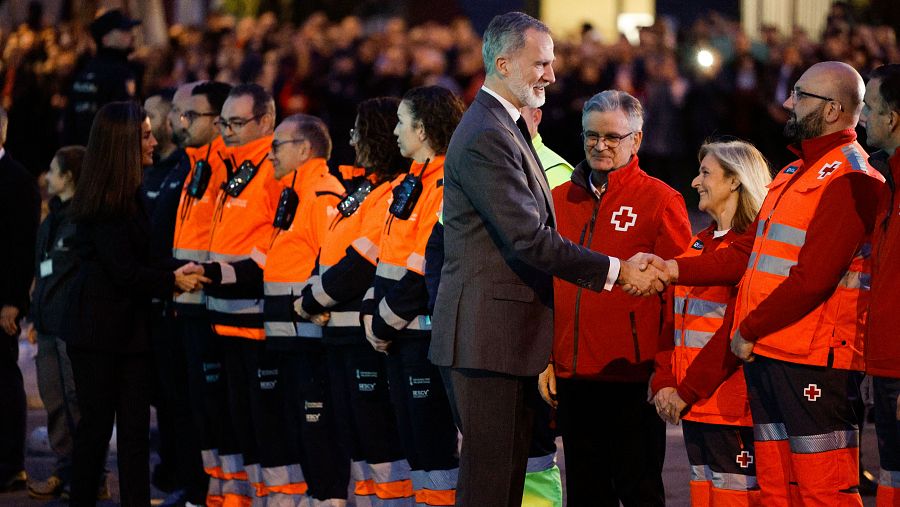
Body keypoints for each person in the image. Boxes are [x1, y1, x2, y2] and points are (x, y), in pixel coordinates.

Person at [428, 12, 666, 507]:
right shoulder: (488, 134)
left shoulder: (503, 127)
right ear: (504, 63)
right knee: (490, 486)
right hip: (487, 339)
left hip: (504, 339)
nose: (551, 76)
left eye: (553, 63)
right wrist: (618, 271)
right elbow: (529, 238)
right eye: (541, 63)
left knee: (505, 482)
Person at [635, 61, 885, 505]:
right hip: (775, 356)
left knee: (822, 490)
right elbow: (746, 254)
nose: (788, 103)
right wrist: (673, 269)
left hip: (813, 363)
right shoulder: (794, 175)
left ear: (831, 110)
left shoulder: (851, 179)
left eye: (801, 96)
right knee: (777, 490)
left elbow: (813, 281)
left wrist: (747, 329)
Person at [538, 90, 691, 506]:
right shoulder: (558, 201)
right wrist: (547, 358)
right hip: (573, 377)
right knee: (586, 493)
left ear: (637, 140)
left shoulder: (660, 201)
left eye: (612, 137)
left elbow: (680, 294)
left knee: (639, 490)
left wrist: (665, 371)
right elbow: (545, 284)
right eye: (591, 136)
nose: (599, 145)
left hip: (631, 377)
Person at [64, 101, 206, 507]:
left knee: (134, 434)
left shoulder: (132, 194)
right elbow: (124, 271)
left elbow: (141, 262)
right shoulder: (108, 203)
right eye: (144, 134)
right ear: (123, 143)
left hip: (130, 332)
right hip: (98, 334)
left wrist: (180, 268)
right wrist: (172, 279)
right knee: (96, 432)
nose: (153, 140)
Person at [297, 97, 414, 506]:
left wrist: (313, 297)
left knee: (380, 445)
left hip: (363, 338)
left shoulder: (393, 191)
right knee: (358, 446)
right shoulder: (367, 187)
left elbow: (363, 261)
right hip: (339, 334)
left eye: (358, 131)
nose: (351, 139)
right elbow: (330, 249)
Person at [650, 139, 772, 507]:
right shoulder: (698, 244)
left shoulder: (754, 245)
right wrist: (664, 383)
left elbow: (730, 333)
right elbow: (672, 323)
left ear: (735, 181)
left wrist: (685, 391)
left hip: (730, 409)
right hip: (694, 406)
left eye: (706, 173)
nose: (695, 181)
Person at [358, 85, 464, 506]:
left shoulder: (443, 183)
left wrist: (381, 321)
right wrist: (373, 314)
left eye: (403, 123)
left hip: (420, 338)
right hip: (397, 337)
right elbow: (385, 260)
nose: (396, 131)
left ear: (422, 129)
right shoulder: (409, 181)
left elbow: (424, 269)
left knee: (433, 453)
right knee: (415, 454)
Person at [193, 83, 284, 504]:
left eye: (235, 123)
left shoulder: (273, 168)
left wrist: (216, 273)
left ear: (265, 122)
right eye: (223, 122)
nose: (226, 131)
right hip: (223, 316)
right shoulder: (233, 166)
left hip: (254, 319)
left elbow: (272, 249)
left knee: (263, 425)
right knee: (232, 421)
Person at [259, 113, 348, 505]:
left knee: (319, 432)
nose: (270, 155)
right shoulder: (295, 192)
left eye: (277, 146)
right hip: (291, 337)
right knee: (300, 428)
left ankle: (328, 498)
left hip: (309, 338)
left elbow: (332, 265)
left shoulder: (323, 194)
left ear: (303, 149)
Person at [27, 146, 106, 500]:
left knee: (78, 402)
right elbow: (43, 271)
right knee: (55, 401)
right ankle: (65, 470)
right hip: (47, 326)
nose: (46, 176)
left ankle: (91, 476)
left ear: (69, 177)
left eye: (52, 170)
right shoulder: (52, 218)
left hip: (71, 329)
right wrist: (35, 316)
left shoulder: (85, 221)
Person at [170, 80, 235, 507]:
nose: (181, 123)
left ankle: (216, 492)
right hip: (187, 301)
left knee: (217, 410)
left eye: (191, 115)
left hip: (211, 303)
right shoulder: (196, 163)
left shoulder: (225, 166)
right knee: (194, 407)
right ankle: (204, 489)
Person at [860, 63, 900, 506]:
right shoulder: (889, 181)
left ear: (893, 118)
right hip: (886, 367)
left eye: (871, 108)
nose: (864, 117)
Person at [0, 105, 40, 492]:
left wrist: (14, 301)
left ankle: (10, 463)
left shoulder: (17, 180)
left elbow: (24, 247)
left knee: (3, 379)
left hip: (1, 302)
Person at [62, 9, 140, 146]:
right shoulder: (120, 73)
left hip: (83, 151)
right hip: (109, 151)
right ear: (106, 39)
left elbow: (70, 122)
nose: (131, 35)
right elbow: (125, 120)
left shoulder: (84, 71)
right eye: (124, 31)